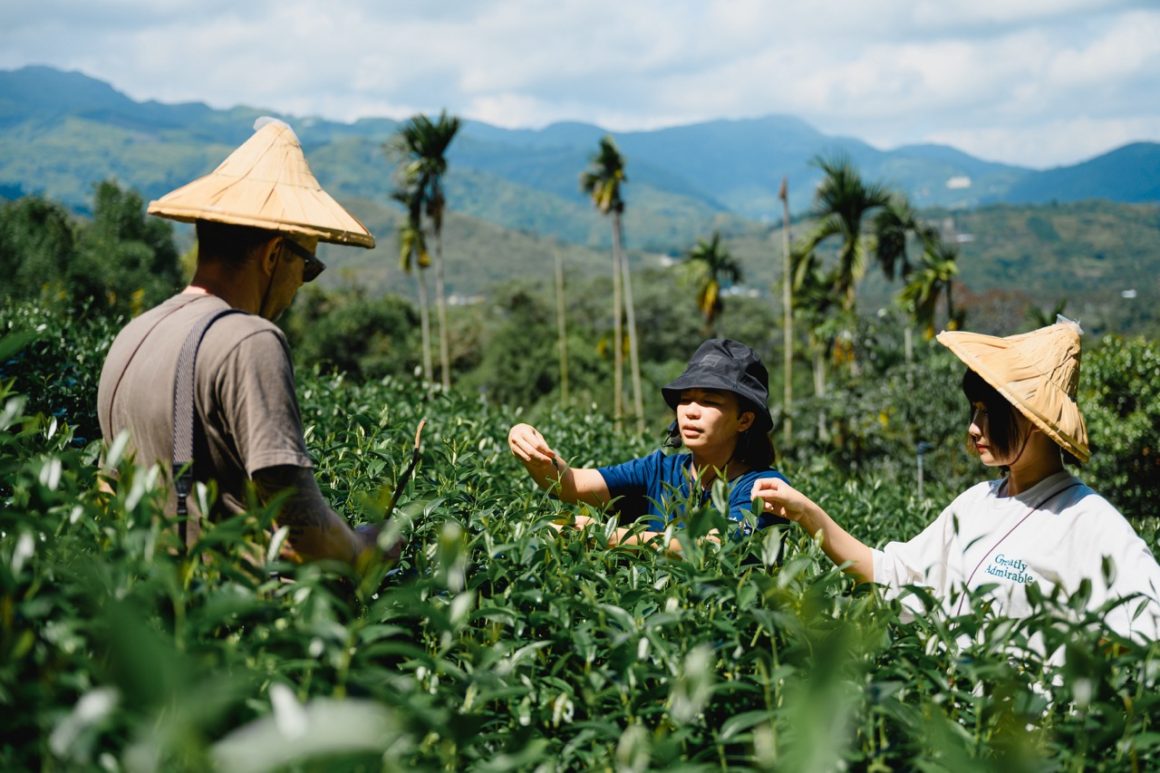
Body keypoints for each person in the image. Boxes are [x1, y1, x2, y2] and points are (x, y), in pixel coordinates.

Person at [751, 318, 1160, 641]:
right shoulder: (977, 502)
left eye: (989, 413)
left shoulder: (1087, 521)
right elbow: (893, 573)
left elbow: (1146, 624)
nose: (974, 428)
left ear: (1035, 423)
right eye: (974, 410)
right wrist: (808, 514)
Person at [97, 117, 391, 567]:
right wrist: (367, 546)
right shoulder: (249, 340)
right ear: (274, 255)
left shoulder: (133, 336)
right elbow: (303, 534)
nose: (300, 285)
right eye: (306, 267)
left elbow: (108, 491)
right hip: (237, 622)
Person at [508, 338, 790, 549]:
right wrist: (530, 445)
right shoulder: (658, 470)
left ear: (744, 420)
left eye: (709, 401)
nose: (691, 411)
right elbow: (570, 485)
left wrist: (611, 536)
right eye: (685, 399)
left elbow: (717, 546)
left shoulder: (764, 488)